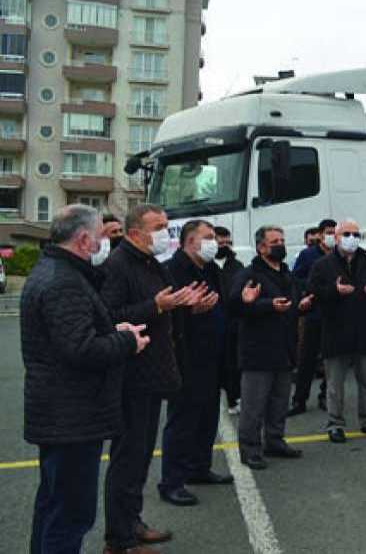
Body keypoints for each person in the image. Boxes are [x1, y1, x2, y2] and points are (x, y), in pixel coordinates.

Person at [22, 205, 148, 554]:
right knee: (71, 514)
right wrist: (126, 341)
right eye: (103, 237)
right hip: (71, 416)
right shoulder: (64, 281)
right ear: (82, 239)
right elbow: (80, 349)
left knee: (52, 505)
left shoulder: (56, 272)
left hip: (62, 413)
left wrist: (112, 329)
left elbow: (71, 335)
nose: (106, 245)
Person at [101, 204, 206, 553]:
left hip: (153, 372)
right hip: (132, 377)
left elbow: (163, 304)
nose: (166, 232)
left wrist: (186, 305)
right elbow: (109, 317)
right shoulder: (118, 265)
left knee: (141, 456)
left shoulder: (151, 263)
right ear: (135, 233)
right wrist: (157, 306)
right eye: (158, 226)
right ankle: (120, 539)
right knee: (128, 458)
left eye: (166, 225)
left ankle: (132, 523)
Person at [158, 220, 231, 507]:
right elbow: (163, 314)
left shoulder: (211, 269)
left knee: (207, 417)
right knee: (183, 420)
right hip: (185, 358)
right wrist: (190, 310)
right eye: (208, 237)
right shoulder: (172, 270)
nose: (215, 242)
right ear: (190, 242)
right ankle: (172, 481)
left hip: (212, 355)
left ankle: (199, 467)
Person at [230, 226, 311, 470]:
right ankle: (250, 449)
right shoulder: (249, 274)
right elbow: (235, 304)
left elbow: (293, 303)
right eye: (274, 241)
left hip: (284, 349)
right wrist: (264, 305)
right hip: (258, 351)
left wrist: (301, 304)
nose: (280, 245)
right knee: (253, 406)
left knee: (279, 401)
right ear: (261, 247)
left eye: (282, 240)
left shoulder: (286, 273)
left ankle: (275, 440)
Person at [308, 219, 366, 443]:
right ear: (336, 237)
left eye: (355, 234)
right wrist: (334, 291)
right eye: (346, 234)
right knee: (335, 384)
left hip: (365, 331)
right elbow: (313, 292)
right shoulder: (322, 265)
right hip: (336, 331)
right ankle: (335, 423)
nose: (351, 238)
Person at [288, 219, 337, 416]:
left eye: (335, 232)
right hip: (312, 313)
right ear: (321, 234)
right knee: (306, 359)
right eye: (328, 232)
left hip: (333, 314)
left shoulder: (339, 255)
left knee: (331, 359)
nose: (332, 236)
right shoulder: (308, 255)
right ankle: (299, 400)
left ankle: (326, 396)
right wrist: (308, 292)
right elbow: (296, 278)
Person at [214, 226, 245, 415]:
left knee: (233, 362)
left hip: (233, 322)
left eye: (227, 242)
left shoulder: (236, 265)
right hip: (213, 322)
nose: (223, 245)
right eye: (220, 241)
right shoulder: (207, 265)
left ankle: (235, 398)